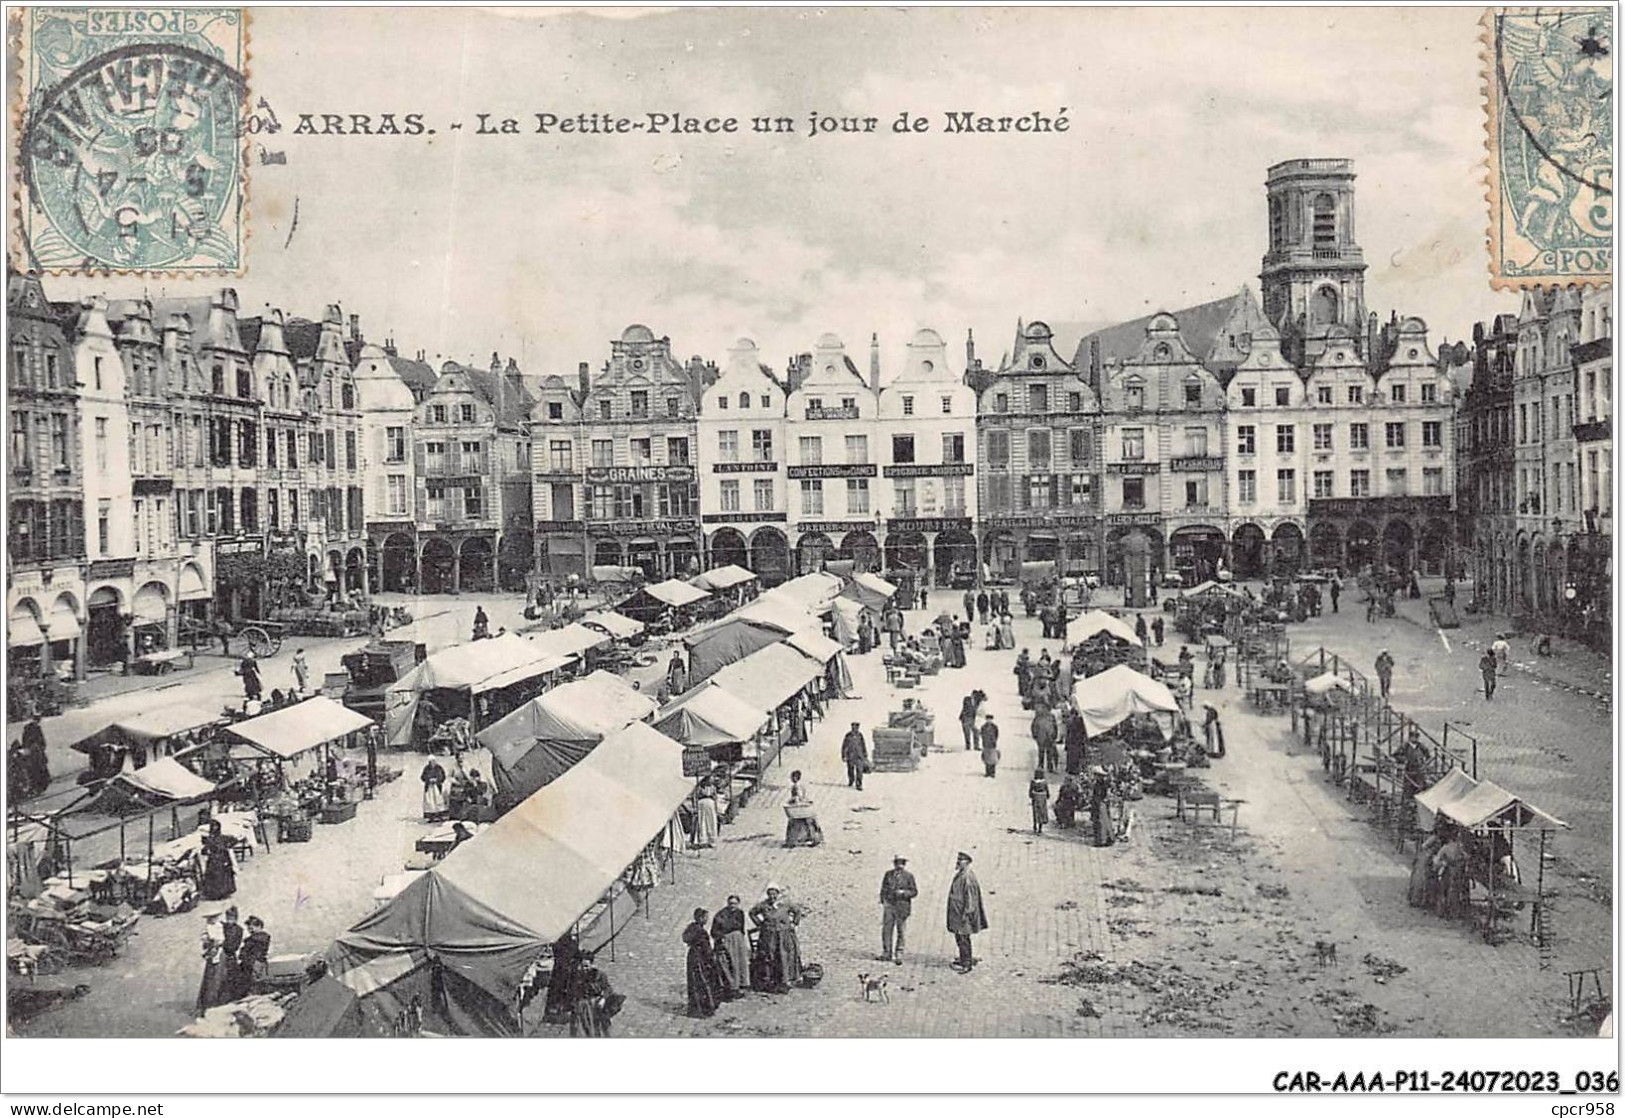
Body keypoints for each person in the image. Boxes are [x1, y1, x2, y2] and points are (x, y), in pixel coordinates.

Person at [749, 884, 805, 994]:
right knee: (770, 957)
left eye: (774, 893)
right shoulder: (763, 905)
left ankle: (784, 982)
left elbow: (797, 911)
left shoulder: (785, 903)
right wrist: (760, 924)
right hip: (769, 936)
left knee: (784, 957)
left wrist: (794, 923)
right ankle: (771, 982)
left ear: (778, 894)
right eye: (770, 894)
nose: (772, 896)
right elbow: (752, 913)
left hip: (784, 935)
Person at [946, 852, 988, 972]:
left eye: (961, 861)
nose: (958, 862)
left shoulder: (967, 877)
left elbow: (970, 899)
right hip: (958, 913)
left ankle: (966, 964)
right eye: (958, 860)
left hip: (963, 915)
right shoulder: (962, 874)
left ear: (967, 862)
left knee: (963, 938)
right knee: (960, 937)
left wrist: (966, 914)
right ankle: (964, 958)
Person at [682, 908, 725, 1018]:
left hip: (692, 957)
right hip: (701, 959)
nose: (707, 919)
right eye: (706, 917)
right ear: (701, 918)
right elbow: (707, 950)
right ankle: (705, 1008)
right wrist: (712, 960)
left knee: (694, 983)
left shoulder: (691, 927)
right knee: (704, 982)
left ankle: (694, 1008)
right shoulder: (701, 932)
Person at [879, 855, 918, 964]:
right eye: (897, 863)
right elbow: (883, 888)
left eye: (902, 863)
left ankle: (899, 954)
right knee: (887, 930)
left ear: (904, 864)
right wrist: (884, 900)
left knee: (901, 931)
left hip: (902, 907)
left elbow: (914, 892)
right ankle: (887, 952)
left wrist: (903, 893)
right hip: (889, 906)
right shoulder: (888, 875)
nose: (899, 865)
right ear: (894, 864)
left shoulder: (909, 876)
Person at [568, 951, 618, 1037]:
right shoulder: (574, 975)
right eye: (581, 966)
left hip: (595, 1007)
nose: (584, 969)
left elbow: (608, 989)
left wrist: (603, 999)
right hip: (581, 1008)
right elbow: (570, 990)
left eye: (586, 966)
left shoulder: (599, 975)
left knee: (598, 1030)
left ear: (592, 964)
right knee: (580, 1031)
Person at [711, 897, 750, 999]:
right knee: (730, 964)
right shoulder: (721, 915)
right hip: (727, 941)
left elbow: (741, 928)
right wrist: (721, 939)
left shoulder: (740, 913)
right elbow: (714, 932)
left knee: (740, 963)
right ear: (727, 904)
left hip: (738, 941)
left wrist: (740, 938)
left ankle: (741, 985)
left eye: (735, 904)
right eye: (731, 904)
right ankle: (731, 987)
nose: (733, 906)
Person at [196, 905, 228, 1014]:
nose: (211, 919)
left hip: (218, 952)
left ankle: (214, 1002)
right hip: (213, 953)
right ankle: (207, 1004)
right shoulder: (208, 927)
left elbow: (220, 939)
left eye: (214, 917)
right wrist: (209, 945)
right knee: (211, 978)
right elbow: (206, 940)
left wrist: (215, 945)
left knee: (217, 977)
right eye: (210, 918)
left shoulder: (219, 926)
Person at [543, 934, 581, 1022]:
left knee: (566, 988)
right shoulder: (560, 944)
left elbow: (577, 954)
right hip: (560, 970)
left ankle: (565, 1007)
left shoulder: (571, 943)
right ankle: (555, 1010)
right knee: (557, 988)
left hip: (567, 970)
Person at [783, 769, 824, 846]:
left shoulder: (796, 786)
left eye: (792, 777)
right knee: (808, 823)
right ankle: (813, 838)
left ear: (795, 778)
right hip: (803, 805)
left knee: (794, 823)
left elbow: (797, 796)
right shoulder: (801, 785)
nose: (791, 779)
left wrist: (790, 801)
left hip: (798, 807)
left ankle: (792, 841)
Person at [199, 819, 237, 901]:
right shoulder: (210, 839)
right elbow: (204, 851)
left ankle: (223, 892)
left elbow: (234, 840)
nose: (214, 828)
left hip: (221, 858)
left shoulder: (221, 837)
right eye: (213, 827)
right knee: (216, 875)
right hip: (215, 859)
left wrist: (227, 846)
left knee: (222, 875)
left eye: (216, 827)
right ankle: (216, 893)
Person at [236, 915, 270, 997]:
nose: (249, 930)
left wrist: (242, 955)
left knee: (253, 985)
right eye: (248, 928)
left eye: (251, 928)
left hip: (253, 964)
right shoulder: (257, 938)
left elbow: (248, 951)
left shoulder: (257, 938)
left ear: (259, 926)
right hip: (253, 963)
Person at [219, 906, 245, 1002]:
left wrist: (225, 946)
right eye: (228, 918)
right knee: (219, 978)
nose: (230, 920)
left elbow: (236, 945)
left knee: (232, 977)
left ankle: (231, 998)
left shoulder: (239, 930)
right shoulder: (222, 927)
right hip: (222, 954)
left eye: (232, 918)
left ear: (236, 918)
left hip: (230, 954)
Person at [20, 718, 49, 798]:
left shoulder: (30, 730)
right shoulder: (36, 729)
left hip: (34, 754)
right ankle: (39, 788)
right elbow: (43, 742)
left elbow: (25, 743)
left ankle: (37, 788)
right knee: (38, 771)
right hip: (36, 755)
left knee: (36, 771)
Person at [1088, 766, 1113, 847]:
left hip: (1099, 805)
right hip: (1101, 804)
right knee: (1104, 822)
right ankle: (1106, 839)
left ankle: (1101, 841)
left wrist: (1095, 802)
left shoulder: (1099, 785)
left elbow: (1098, 796)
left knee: (1100, 823)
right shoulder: (1101, 783)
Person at [692, 779, 720, 848]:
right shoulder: (699, 787)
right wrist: (695, 807)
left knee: (709, 822)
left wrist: (716, 808)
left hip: (709, 804)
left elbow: (715, 797)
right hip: (702, 804)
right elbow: (695, 797)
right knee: (702, 822)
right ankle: (703, 840)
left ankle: (710, 840)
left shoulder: (712, 787)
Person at [841, 722, 869, 791]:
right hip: (850, 755)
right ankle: (851, 780)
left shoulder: (860, 735)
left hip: (859, 755)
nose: (855, 729)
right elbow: (844, 746)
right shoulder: (848, 735)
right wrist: (843, 755)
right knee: (850, 769)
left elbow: (863, 744)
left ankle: (859, 784)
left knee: (859, 770)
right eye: (853, 727)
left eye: (856, 727)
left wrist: (865, 753)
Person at [1031, 705, 1059, 773]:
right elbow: (1033, 726)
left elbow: (1055, 726)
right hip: (1041, 737)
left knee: (1049, 752)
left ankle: (1049, 767)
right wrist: (1035, 734)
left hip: (1049, 737)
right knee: (1041, 752)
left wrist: (1055, 735)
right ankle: (1041, 766)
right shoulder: (1039, 716)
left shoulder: (1051, 716)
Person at [421, 757, 449, 821]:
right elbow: (423, 777)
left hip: (437, 787)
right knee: (430, 802)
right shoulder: (426, 768)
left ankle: (440, 816)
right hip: (429, 788)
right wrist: (428, 780)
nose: (432, 763)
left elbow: (443, 776)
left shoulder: (439, 768)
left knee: (439, 800)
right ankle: (431, 816)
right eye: (431, 762)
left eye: (433, 761)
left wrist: (437, 780)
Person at [1064, 710, 1087, 775]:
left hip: (1073, 740)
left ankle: (1071, 768)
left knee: (1072, 755)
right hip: (1076, 740)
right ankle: (1073, 768)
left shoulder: (1070, 721)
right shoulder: (1079, 721)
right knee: (1075, 754)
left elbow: (1068, 732)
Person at [1028, 769, 1051, 834]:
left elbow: (1030, 790)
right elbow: (1047, 790)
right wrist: (1048, 796)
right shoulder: (1044, 782)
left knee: (1035, 812)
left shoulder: (1033, 781)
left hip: (1035, 796)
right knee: (1042, 812)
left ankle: (1035, 825)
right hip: (1042, 797)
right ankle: (1040, 827)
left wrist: (1031, 795)